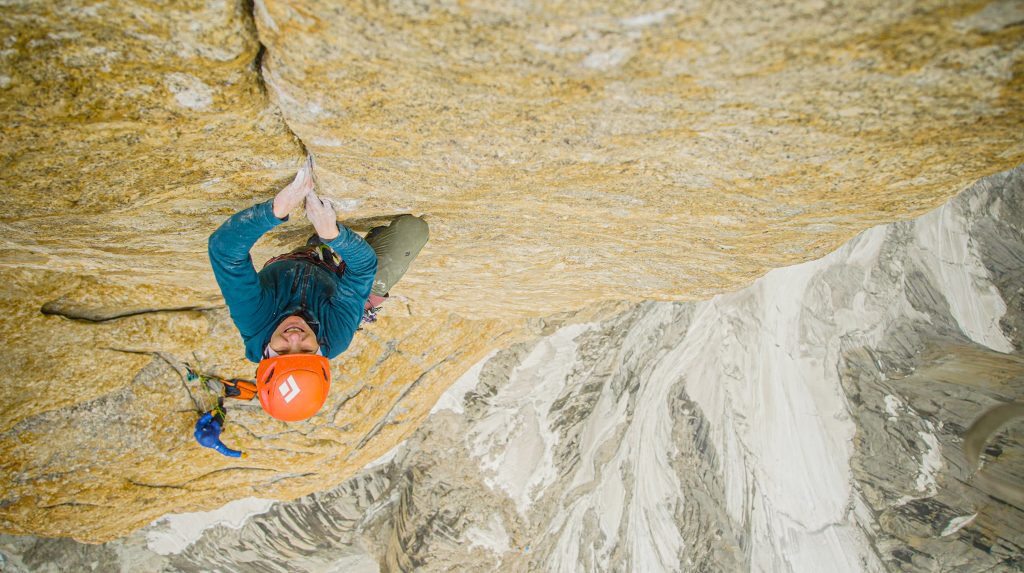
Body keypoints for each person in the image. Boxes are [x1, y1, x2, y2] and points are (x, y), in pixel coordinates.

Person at [195, 158, 428, 451]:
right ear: (320, 354)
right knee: (413, 231)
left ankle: (321, 244)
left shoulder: (255, 320)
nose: (294, 337)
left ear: (266, 354)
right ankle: (329, 244)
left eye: (282, 351)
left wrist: (276, 209)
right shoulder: (335, 336)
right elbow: (362, 270)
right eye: (306, 350)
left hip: (301, 262)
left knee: (328, 249)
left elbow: (225, 250)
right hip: (337, 282)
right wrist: (334, 234)